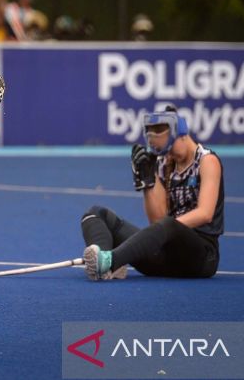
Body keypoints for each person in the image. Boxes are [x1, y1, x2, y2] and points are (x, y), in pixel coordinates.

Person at [81, 106, 224, 280]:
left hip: (200, 259)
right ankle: (104, 266)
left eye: (170, 148)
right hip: (166, 255)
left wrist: (170, 228)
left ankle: (111, 260)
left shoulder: (207, 161)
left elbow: (205, 214)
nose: (168, 155)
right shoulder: (164, 164)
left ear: (183, 135)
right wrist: (147, 183)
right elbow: (157, 221)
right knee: (96, 214)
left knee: (169, 224)